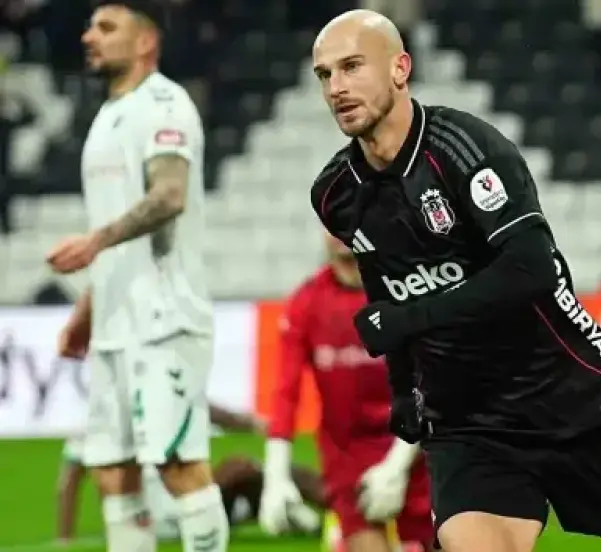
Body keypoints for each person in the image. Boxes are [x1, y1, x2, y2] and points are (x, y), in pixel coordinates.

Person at [309, 10, 601, 552]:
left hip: (568, 400)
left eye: (352, 66)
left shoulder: (465, 149)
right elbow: (387, 294)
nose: (337, 87)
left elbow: (530, 269)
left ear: (400, 68)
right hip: (469, 424)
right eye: (325, 74)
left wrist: (411, 319)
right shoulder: (336, 193)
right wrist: (403, 388)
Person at [45, 2, 227, 551]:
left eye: (106, 27)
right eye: (90, 27)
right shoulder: (107, 116)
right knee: (112, 472)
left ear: (146, 41)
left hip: (164, 320)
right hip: (115, 325)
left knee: (178, 465)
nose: (89, 37)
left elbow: (169, 195)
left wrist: (95, 242)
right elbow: (115, 234)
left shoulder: (165, 104)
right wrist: (88, 310)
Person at [259, 233, 433, 552]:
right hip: (348, 463)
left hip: (418, 448)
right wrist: (275, 477)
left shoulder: (406, 293)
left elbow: (430, 387)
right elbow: (285, 394)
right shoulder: (307, 302)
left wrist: (396, 468)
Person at [58, 405, 325, 542]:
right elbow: (205, 408)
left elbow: (68, 482)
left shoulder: (97, 418)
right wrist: (254, 423)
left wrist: (65, 538)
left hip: (149, 522)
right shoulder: (151, 395)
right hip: (176, 513)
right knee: (249, 470)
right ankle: (332, 509)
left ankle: (302, 518)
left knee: (256, 482)